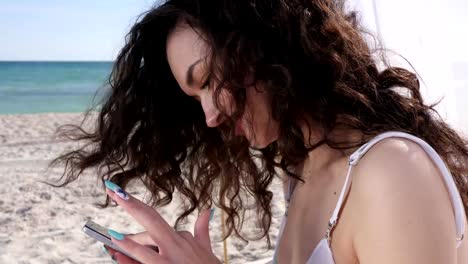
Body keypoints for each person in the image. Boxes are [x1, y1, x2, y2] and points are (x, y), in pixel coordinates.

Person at [52, 0, 468, 263]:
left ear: (266, 44)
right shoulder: (302, 170)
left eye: (210, 79)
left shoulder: (391, 173)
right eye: (196, 99)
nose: (210, 116)